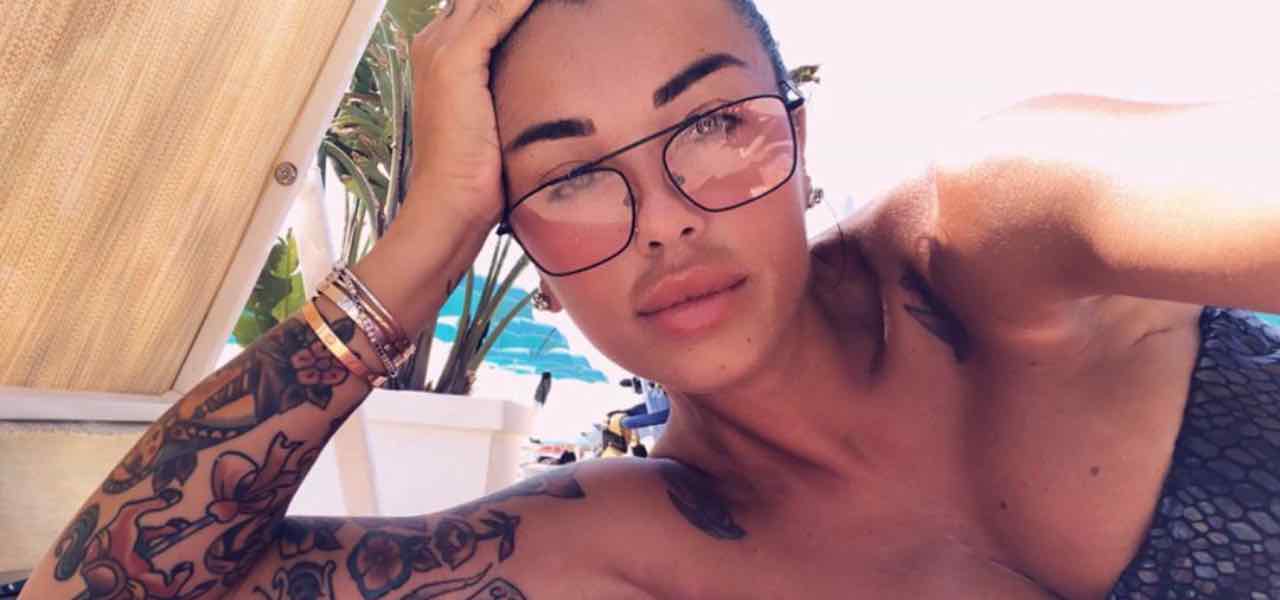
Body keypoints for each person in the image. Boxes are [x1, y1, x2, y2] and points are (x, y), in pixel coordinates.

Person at [20, 0, 1280, 598]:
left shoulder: (1003, 223)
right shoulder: (623, 542)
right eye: (567, 177)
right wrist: (417, 243)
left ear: (798, 140)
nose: (667, 216)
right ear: (509, 233)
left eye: (714, 125)